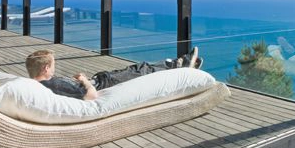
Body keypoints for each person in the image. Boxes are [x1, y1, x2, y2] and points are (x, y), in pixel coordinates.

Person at [25, 47, 202, 101]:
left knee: (136, 68)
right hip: (105, 84)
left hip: (100, 79)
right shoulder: (53, 85)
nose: (54, 68)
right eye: (53, 65)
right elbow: (90, 95)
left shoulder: (38, 84)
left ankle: (174, 64)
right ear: (46, 69)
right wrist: (85, 81)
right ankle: (180, 66)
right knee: (139, 70)